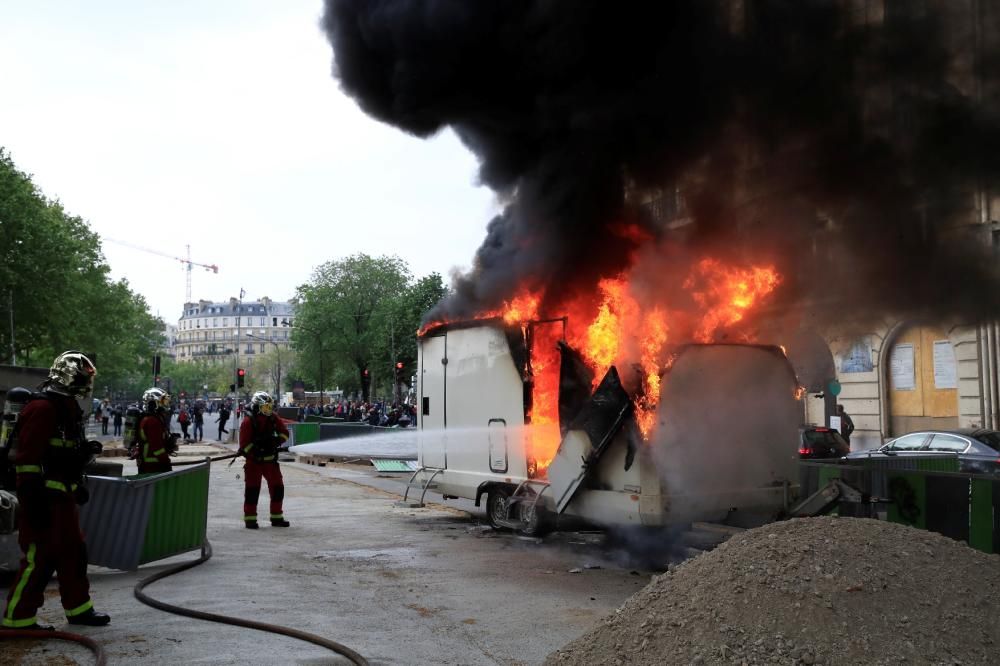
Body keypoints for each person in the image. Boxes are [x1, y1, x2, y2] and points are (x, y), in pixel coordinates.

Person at [2, 351, 111, 629]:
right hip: (43, 500)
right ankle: (18, 618)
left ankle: (79, 610)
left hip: (62, 498)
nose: (86, 384)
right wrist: (33, 503)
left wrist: (79, 476)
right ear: (69, 376)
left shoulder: (66, 408)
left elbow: (63, 454)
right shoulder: (43, 408)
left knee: (73, 554)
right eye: (83, 377)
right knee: (39, 559)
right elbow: (26, 461)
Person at [238, 391, 290, 529]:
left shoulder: (273, 418)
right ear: (257, 406)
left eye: (269, 407)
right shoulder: (248, 421)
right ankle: (250, 519)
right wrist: (257, 451)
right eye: (265, 407)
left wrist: (275, 441)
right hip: (254, 463)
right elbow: (244, 445)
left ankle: (277, 517)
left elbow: (285, 433)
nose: (269, 410)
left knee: (278, 489)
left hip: (271, 462)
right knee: (252, 491)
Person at [136, 387, 175, 474]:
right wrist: (165, 461)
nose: (166, 404)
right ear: (155, 403)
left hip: (148, 461)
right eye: (163, 401)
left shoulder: (150, 418)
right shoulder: (152, 421)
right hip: (153, 462)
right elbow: (156, 446)